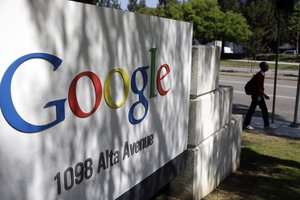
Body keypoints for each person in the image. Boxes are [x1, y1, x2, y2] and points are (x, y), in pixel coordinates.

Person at [243, 62, 273, 130]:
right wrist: (265, 95)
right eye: (266, 66)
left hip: (257, 95)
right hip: (257, 96)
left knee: (253, 109)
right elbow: (259, 87)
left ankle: (246, 123)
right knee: (261, 109)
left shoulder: (261, 74)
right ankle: (266, 125)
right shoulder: (259, 75)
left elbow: (260, 87)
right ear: (263, 67)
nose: (268, 67)